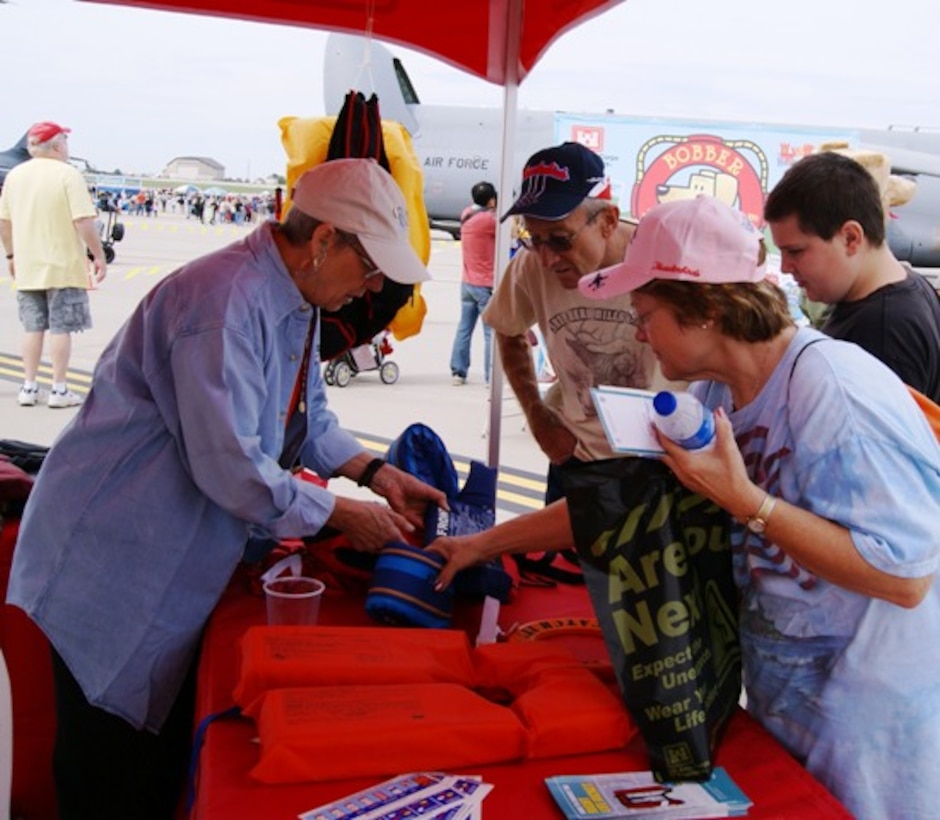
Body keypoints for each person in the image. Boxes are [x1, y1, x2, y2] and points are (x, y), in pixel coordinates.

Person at [6, 158, 449, 820]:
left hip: (166, 552)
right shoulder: (221, 301)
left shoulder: (297, 297)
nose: (374, 284)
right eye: (370, 263)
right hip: (112, 560)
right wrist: (339, 515)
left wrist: (375, 474)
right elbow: (230, 466)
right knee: (107, 772)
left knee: (151, 764)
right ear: (324, 239)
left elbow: (308, 417)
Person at [571, 195, 937, 818]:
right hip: (786, 703)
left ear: (707, 310)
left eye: (647, 313)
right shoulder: (717, 390)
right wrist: (482, 544)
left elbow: (905, 577)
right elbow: (634, 503)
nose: (638, 331)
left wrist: (748, 503)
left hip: (865, 731)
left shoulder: (833, 389)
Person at [484, 141, 672, 505]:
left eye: (560, 240)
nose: (547, 259)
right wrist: (537, 415)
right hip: (578, 459)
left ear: (608, 221)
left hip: (664, 465)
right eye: (533, 239)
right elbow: (507, 329)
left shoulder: (664, 262)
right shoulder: (529, 267)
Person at [764, 150, 940, 401]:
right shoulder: (904, 288)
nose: (784, 267)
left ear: (850, 238)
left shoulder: (883, 332)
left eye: (796, 251)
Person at [0, 120, 107, 408]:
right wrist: (97, 254)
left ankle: (29, 386)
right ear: (58, 146)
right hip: (62, 266)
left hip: (28, 266)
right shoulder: (68, 175)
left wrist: (11, 256)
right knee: (61, 328)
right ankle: (59, 389)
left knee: (32, 327)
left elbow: (5, 223)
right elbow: (83, 221)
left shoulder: (15, 176)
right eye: (66, 141)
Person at [449, 180, 497, 386]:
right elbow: (511, 233)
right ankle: (490, 376)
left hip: (467, 281)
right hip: (485, 283)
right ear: (491, 200)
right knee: (490, 332)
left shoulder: (466, 214)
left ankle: (458, 372)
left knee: (464, 328)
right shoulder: (489, 221)